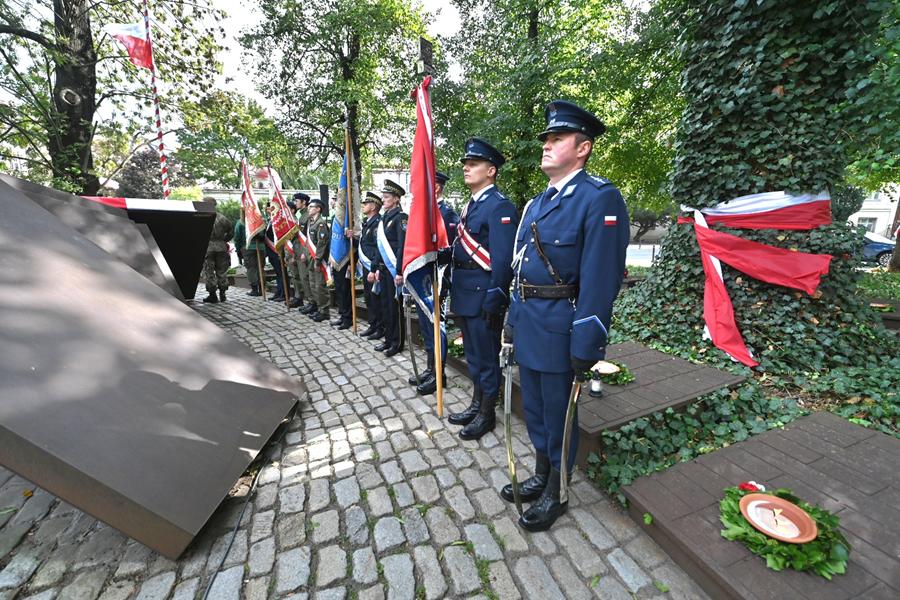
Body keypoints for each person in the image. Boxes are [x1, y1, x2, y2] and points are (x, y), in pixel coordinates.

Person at [506, 100, 629, 532]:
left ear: (583, 148)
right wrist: (511, 323)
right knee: (536, 410)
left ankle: (558, 491)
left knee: (559, 414)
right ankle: (542, 475)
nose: (546, 145)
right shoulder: (538, 203)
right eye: (547, 138)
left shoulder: (599, 198)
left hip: (562, 326)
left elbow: (601, 277)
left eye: (557, 138)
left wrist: (587, 342)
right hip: (531, 321)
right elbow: (520, 267)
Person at [447, 139, 518, 440]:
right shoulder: (471, 206)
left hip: (482, 294)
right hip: (465, 291)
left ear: (491, 171)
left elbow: (502, 259)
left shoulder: (499, 206)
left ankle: (487, 414)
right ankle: (476, 405)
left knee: (486, 358)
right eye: (466, 163)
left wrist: (496, 297)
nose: (466, 167)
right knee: (474, 356)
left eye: (473, 164)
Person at [409, 170, 460, 395]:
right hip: (424, 280)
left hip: (438, 279)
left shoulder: (447, 214)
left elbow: (449, 250)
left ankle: (440, 374)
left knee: (436, 327)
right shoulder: (425, 213)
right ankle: (431, 369)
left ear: (436, 188)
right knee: (426, 328)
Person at [370, 179, 407, 357]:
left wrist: (399, 271)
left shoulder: (401, 218)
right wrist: (375, 267)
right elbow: (379, 246)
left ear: (396, 199)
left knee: (394, 307)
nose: (383, 200)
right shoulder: (384, 218)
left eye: (386, 197)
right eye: (383, 197)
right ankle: (388, 338)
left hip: (394, 271)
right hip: (383, 269)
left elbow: (402, 246)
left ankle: (397, 342)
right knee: (385, 305)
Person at [358, 192, 383, 339]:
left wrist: (374, 268)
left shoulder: (377, 223)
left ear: (373, 206)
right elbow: (365, 245)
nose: (363, 206)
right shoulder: (367, 223)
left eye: (366, 203)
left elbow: (377, 249)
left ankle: (380, 328)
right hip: (366, 266)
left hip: (373, 267)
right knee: (369, 298)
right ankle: (373, 325)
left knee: (376, 299)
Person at [202, 198, 234, 303]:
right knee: (222, 271)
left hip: (208, 247)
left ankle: (213, 295)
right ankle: (223, 294)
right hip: (221, 247)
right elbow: (231, 231)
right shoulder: (222, 218)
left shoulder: (202, 217)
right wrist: (224, 240)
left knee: (209, 271)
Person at [305, 198, 331, 322]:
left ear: (318, 209)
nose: (309, 208)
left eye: (311, 207)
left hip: (317, 259)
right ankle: (318, 308)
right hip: (310, 258)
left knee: (320, 286)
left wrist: (318, 260)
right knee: (313, 284)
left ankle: (324, 311)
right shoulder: (311, 222)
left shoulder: (321, 224)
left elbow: (322, 244)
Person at [234, 206, 263, 297]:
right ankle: (262, 288)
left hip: (247, 248)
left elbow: (237, 238)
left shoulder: (241, 223)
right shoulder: (259, 221)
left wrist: (238, 251)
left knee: (251, 269)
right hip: (260, 248)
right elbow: (263, 235)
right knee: (260, 268)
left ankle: (255, 290)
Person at [288, 193, 311, 308]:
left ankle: (311, 301)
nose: (295, 203)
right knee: (297, 276)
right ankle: (299, 297)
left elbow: (308, 238)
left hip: (303, 251)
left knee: (304, 277)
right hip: (297, 250)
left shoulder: (307, 216)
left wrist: (304, 253)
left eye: (297, 201)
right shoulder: (302, 216)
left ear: (304, 202)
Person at [264, 203, 285, 302]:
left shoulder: (278, 222)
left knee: (281, 274)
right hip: (271, 252)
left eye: (270, 208)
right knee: (277, 273)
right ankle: (279, 291)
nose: (267, 210)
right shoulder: (270, 221)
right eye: (267, 208)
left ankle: (283, 293)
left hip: (277, 251)